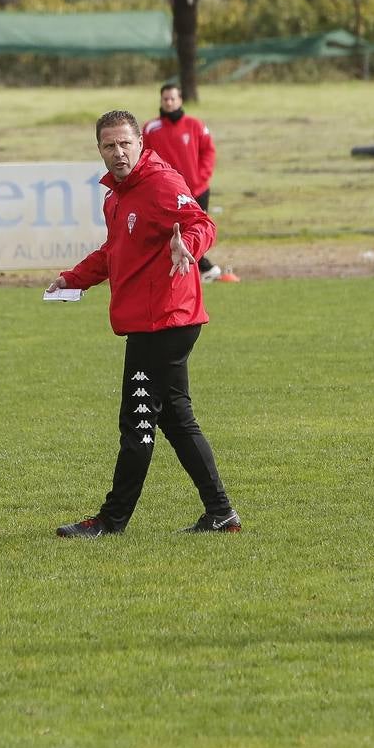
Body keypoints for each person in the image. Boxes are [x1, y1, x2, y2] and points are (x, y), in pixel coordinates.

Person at [49, 109, 240, 537]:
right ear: (99, 149)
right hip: (152, 321)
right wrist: (73, 279)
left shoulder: (161, 183)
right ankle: (221, 512)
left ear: (140, 143)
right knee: (175, 419)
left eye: (125, 144)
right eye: (109, 146)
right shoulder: (116, 196)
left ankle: (111, 521)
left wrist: (186, 246)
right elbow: (113, 252)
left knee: (136, 423)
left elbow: (201, 223)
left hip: (166, 322)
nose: (118, 153)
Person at [141, 83, 236, 282]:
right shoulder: (151, 128)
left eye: (172, 98)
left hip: (196, 190)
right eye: (165, 99)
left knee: (197, 230)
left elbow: (208, 152)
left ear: (180, 100)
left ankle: (200, 268)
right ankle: (198, 269)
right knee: (171, 231)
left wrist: (199, 178)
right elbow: (144, 157)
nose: (169, 102)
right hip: (166, 192)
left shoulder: (196, 125)